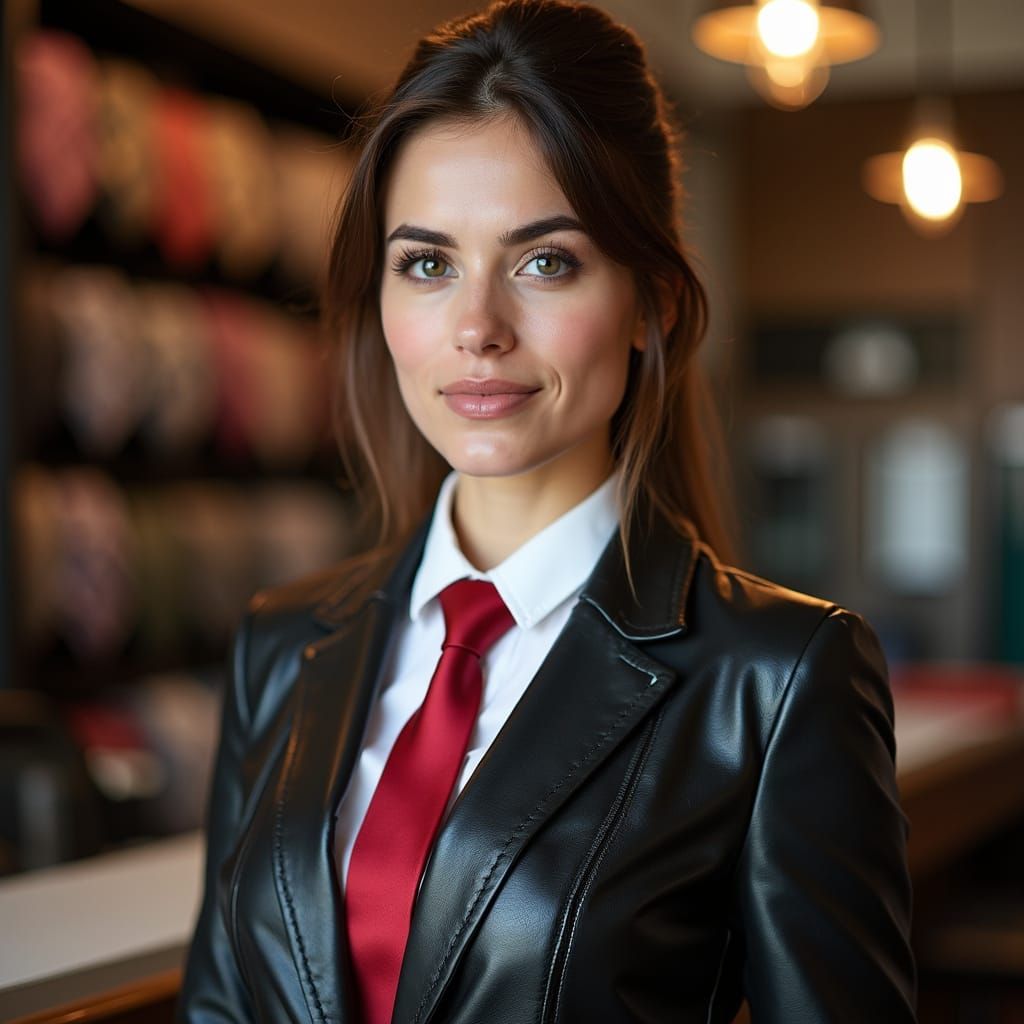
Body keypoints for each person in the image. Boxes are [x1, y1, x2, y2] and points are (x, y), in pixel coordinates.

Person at [178, 1, 916, 1021]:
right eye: (427, 263)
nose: (476, 327)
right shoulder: (281, 643)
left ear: (652, 302)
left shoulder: (780, 677)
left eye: (544, 260)